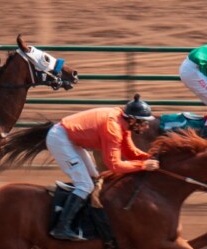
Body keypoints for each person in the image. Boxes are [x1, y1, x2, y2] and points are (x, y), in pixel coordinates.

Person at [46, 94, 160, 241]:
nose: (146, 126)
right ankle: (61, 227)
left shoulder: (122, 122)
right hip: (61, 139)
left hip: (69, 138)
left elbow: (130, 151)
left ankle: (79, 216)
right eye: (143, 122)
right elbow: (114, 165)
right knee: (85, 185)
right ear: (132, 119)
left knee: (94, 179)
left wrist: (148, 158)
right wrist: (143, 165)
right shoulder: (113, 128)